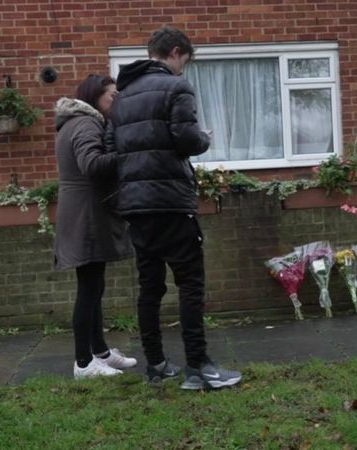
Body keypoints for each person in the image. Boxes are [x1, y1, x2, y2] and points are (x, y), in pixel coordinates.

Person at [110, 26, 241, 390]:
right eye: (184, 61)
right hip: (171, 202)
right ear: (176, 52)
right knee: (190, 285)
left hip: (136, 207)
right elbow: (185, 139)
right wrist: (204, 139)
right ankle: (199, 367)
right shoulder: (176, 87)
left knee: (150, 288)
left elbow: (112, 148)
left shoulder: (121, 96)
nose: (183, 68)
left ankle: (155, 364)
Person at [54, 75, 138, 380]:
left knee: (94, 285)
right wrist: (130, 154)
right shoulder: (86, 124)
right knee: (89, 289)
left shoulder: (76, 123)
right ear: (95, 98)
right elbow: (92, 165)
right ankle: (83, 363)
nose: (116, 100)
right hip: (85, 215)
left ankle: (100, 352)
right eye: (112, 96)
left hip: (84, 212)